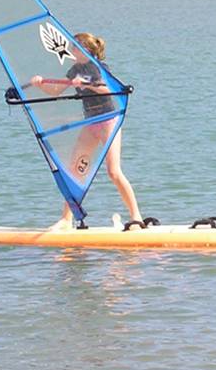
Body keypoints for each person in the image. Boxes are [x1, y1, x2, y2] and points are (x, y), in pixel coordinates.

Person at [29, 32, 143, 230]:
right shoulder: (75, 70)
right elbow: (55, 91)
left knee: (113, 172)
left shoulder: (98, 67)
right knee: (74, 171)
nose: (71, 49)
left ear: (86, 50)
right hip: (90, 123)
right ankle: (66, 219)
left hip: (108, 121)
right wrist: (40, 84)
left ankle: (136, 217)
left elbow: (109, 89)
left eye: (75, 46)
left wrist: (87, 84)